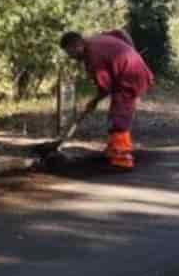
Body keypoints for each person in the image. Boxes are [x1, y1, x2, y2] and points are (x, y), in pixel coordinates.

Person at [60, 28, 155, 170]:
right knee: (115, 114)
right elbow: (120, 33)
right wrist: (132, 52)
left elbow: (105, 87)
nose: (71, 57)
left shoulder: (93, 56)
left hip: (130, 78)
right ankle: (113, 151)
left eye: (70, 52)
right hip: (131, 72)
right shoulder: (95, 40)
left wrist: (94, 101)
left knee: (119, 117)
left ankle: (122, 160)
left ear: (76, 45)